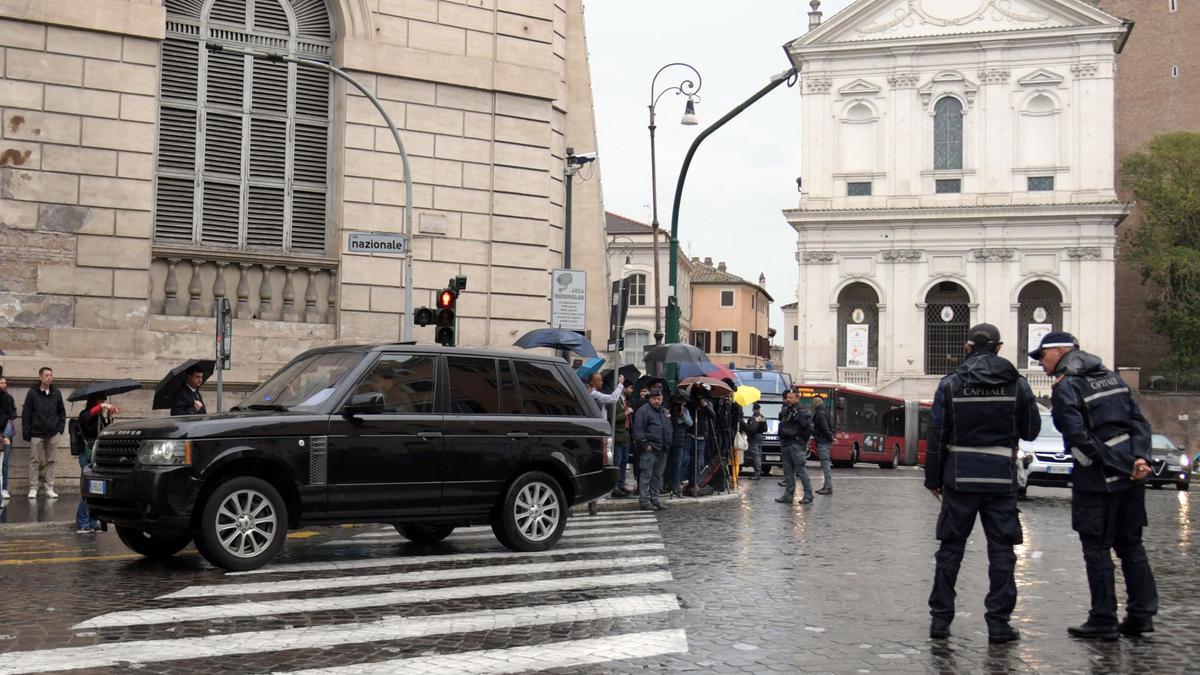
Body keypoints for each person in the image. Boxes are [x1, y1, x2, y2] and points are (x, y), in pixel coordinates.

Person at [1032, 331, 1159, 640]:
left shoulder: (1067, 386)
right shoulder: (1113, 379)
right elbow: (1139, 423)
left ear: (1061, 351)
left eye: (1043, 357)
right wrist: (1139, 459)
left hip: (1097, 480)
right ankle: (1141, 615)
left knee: (1096, 549)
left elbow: (1077, 437)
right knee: (1131, 546)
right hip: (1132, 478)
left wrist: (1121, 464)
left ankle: (1103, 618)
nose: (1041, 364)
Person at [924, 323, 1040, 644]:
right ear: (999, 348)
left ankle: (940, 620)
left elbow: (936, 434)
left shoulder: (950, 385)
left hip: (960, 477)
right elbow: (1031, 431)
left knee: (950, 551)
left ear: (967, 347)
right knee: (1002, 553)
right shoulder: (1017, 385)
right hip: (1000, 477)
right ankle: (999, 623)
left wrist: (933, 479)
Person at [76, 393, 119, 533]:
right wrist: (100, 407)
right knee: (87, 489)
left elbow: (105, 432)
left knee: (96, 489)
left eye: (104, 401)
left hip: (97, 456)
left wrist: (109, 417)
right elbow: (86, 419)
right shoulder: (85, 414)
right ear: (94, 401)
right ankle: (82, 522)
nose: (104, 404)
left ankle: (93, 521)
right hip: (87, 455)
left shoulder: (100, 416)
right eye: (101, 401)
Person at [22, 366, 66, 499]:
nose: (49, 378)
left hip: (53, 432)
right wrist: (27, 432)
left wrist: (60, 428)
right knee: (34, 461)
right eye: (46, 375)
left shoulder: (56, 393)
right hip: (36, 432)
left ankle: (49, 487)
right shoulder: (32, 393)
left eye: (51, 375)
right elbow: (26, 413)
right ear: (40, 377)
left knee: (51, 461)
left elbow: (61, 412)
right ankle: (33, 488)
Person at [632, 388, 671, 511]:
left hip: (662, 448)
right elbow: (638, 430)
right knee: (646, 476)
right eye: (654, 399)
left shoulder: (663, 411)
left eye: (659, 399)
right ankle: (644, 501)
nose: (657, 401)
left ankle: (655, 499)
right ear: (649, 399)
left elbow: (668, 428)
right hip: (650, 449)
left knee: (657, 476)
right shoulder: (643, 411)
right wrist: (645, 445)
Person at [776, 389, 814, 505]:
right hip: (786, 442)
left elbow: (807, 428)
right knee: (788, 472)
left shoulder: (802, 412)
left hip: (796, 443)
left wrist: (802, 442)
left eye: (791, 397)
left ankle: (808, 495)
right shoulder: (787, 410)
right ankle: (788, 495)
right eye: (787, 397)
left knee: (801, 470)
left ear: (797, 398)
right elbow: (782, 420)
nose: (788, 399)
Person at [812, 396, 834, 494]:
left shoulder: (820, 414)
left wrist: (830, 438)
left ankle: (828, 486)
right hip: (825, 440)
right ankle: (827, 485)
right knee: (826, 463)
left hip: (823, 440)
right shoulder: (826, 411)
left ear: (816, 403)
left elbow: (824, 428)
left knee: (825, 464)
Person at [0, 375, 15, 500]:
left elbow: (13, 412)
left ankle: (4, 488)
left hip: (6, 431)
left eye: (5, 383)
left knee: (4, 462)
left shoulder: (9, 398)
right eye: (1, 383)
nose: (4, 385)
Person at [743, 403, 766, 480]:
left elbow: (750, 429)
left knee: (756, 456)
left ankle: (757, 473)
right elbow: (765, 429)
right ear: (759, 409)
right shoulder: (763, 417)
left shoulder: (752, 418)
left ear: (753, 409)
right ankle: (758, 472)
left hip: (753, 438)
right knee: (759, 455)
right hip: (760, 437)